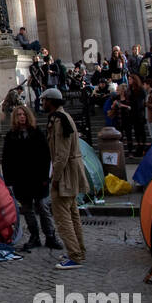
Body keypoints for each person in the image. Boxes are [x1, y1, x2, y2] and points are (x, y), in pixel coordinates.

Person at [0, 106, 61, 252]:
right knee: (27, 209)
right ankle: (34, 236)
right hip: (21, 179)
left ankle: (50, 235)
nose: (22, 117)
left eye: (24, 114)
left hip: (38, 178)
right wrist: (9, 181)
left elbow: (45, 156)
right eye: (19, 115)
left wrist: (46, 176)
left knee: (42, 207)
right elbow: (7, 160)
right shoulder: (11, 136)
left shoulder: (37, 133)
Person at [43, 88, 89, 269]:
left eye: (45, 100)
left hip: (65, 174)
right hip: (71, 171)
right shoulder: (63, 117)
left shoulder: (59, 120)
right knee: (73, 214)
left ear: (51, 101)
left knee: (62, 217)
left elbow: (61, 154)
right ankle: (78, 250)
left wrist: (55, 177)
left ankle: (75, 255)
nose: (42, 103)